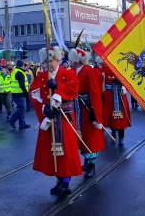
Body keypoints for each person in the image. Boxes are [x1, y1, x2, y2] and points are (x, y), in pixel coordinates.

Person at [30, 46, 82, 196]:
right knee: (52, 151)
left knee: (66, 151)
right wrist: (43, 108)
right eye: (46, 62)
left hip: (64, 118)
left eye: (51, 61)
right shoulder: (41, 76)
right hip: (49, 117)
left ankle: (66, 181)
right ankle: (59, 179)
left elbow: (74, 89)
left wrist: (58, 86)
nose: (48, 64)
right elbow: (33, 94)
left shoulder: (68, 73)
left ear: (58, 60)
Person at [70, 48, 105, 178]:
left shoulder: (89, 72)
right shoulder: (72, 72)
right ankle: (86, 161)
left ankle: (92, 165)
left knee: (90, 137)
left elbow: (95, 93)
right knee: (80, 136)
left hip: (86, 108)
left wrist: (95, 113)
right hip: (75, 107)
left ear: (77, 59)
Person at [100, 57, 131, 145]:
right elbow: (102, 80)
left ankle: (121, 137)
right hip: (109, 94)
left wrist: (121, 81)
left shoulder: (122, 64)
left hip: (120, 93)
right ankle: (113, 133)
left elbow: (128, 79)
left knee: (121, 117)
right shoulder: (105, 65)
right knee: (110, 116)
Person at [8, 60, 31, 129]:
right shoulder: (19, 72)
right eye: (24, 66)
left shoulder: (15, 71)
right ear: (22, 66)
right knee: (22, 108)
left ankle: (22, 123)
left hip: (16, 93)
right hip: (19, 93)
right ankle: (12, 120)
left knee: (21, 108)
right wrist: (26, 93)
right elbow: (22, 85)